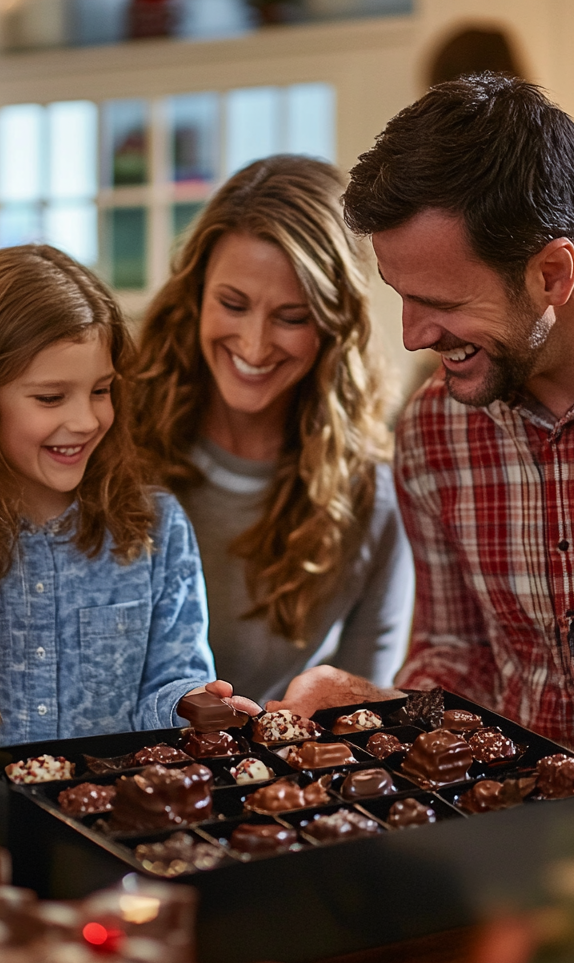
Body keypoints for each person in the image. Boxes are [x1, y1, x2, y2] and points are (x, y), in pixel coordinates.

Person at [275, 73, 574, 843]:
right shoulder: (437, 430)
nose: (412, 336)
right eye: (400, 296)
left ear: (553, 273)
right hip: (537, 877)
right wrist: (376, 705)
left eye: (441, 303)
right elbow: (461, 657)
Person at [0, 245, 258, 744]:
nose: (85, 421)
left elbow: (170, 678)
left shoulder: (155, 527)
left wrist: (189, 703)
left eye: (101, 390)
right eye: (50, 397)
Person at [130, 155, 415, 704]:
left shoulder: (374, 496)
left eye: (291, 317)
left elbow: (357, 717)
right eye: (232, 305)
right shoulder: (115, 436)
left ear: (335, 326)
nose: (255, 346)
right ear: (194, 296)